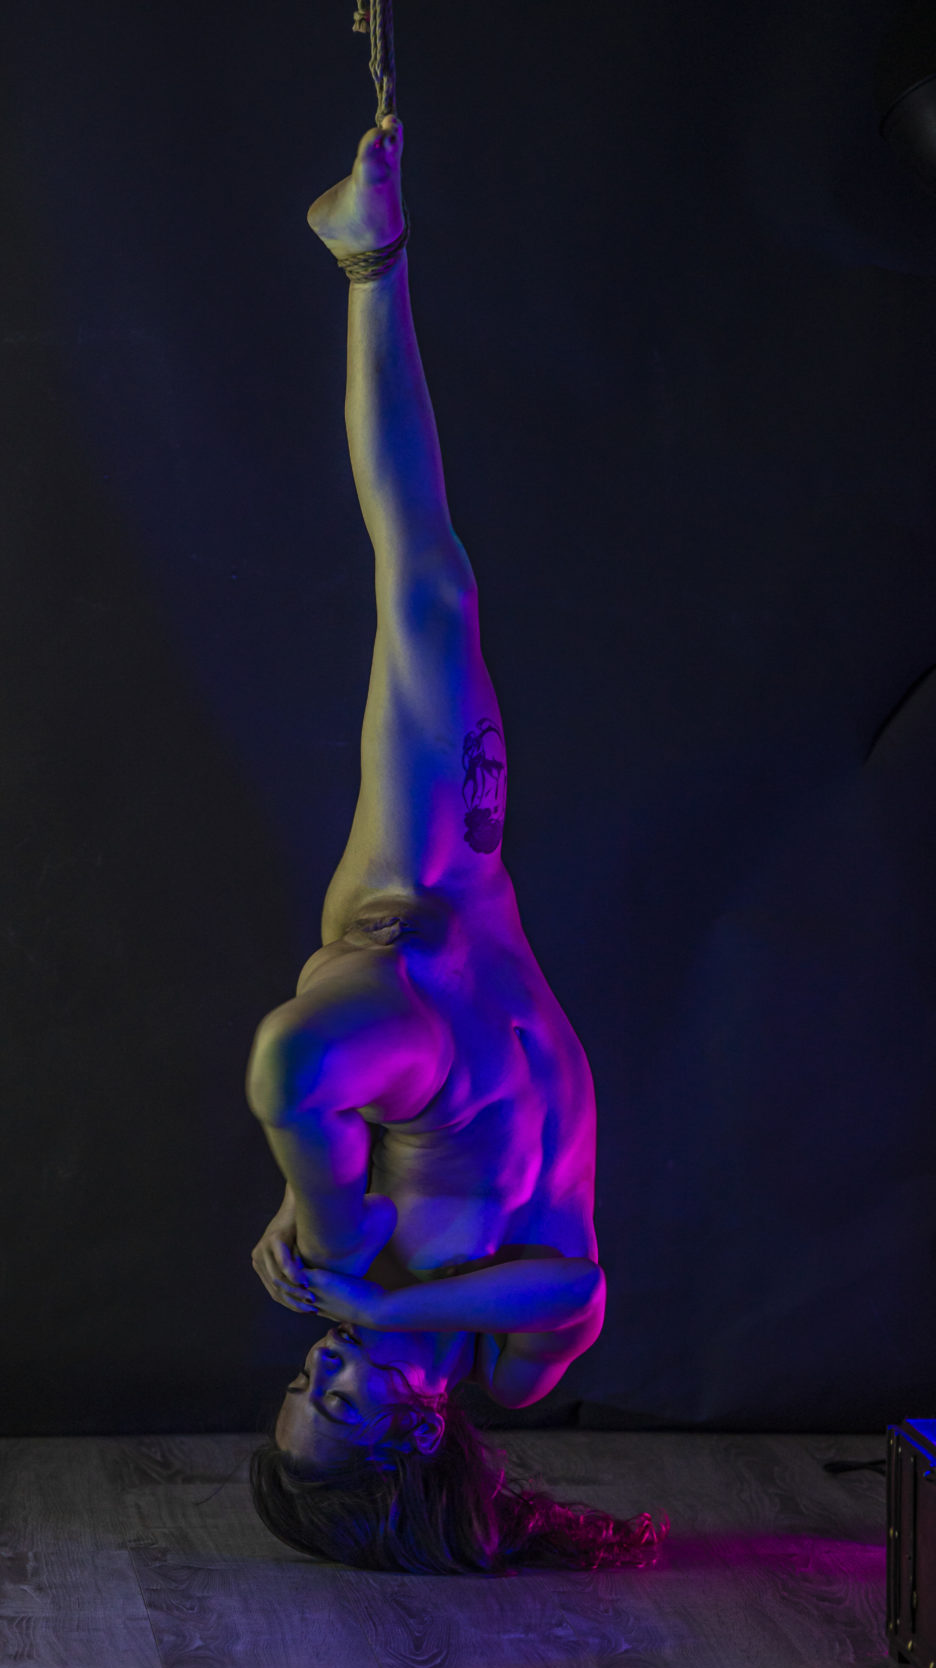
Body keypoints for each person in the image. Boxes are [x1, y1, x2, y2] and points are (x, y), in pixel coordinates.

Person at [245, 115, 664, 1575]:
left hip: (408, 929)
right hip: (461, 935)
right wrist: (371, 1294)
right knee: (433, 586)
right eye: (341, 1404)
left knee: (422, 581)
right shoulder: (510, 1363)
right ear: (417, 1433)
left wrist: (332, 1257)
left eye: (306, 1379)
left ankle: (369, 257)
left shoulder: (383, 1286)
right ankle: (370, 252)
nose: (325, 1367)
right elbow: (574, 1289)